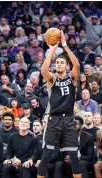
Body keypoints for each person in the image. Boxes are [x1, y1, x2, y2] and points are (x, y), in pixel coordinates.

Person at [38, 31, 81, 178]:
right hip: (54, 119)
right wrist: (52, 50)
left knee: (74, 156)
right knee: (46, 155)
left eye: (62, 62)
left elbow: (77, 65)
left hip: (69, 119)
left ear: (67, 66)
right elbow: (43, 70)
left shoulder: (72, 78)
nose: (59, 64)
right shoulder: (52, 79)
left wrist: (65, 46)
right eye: (57, 63)